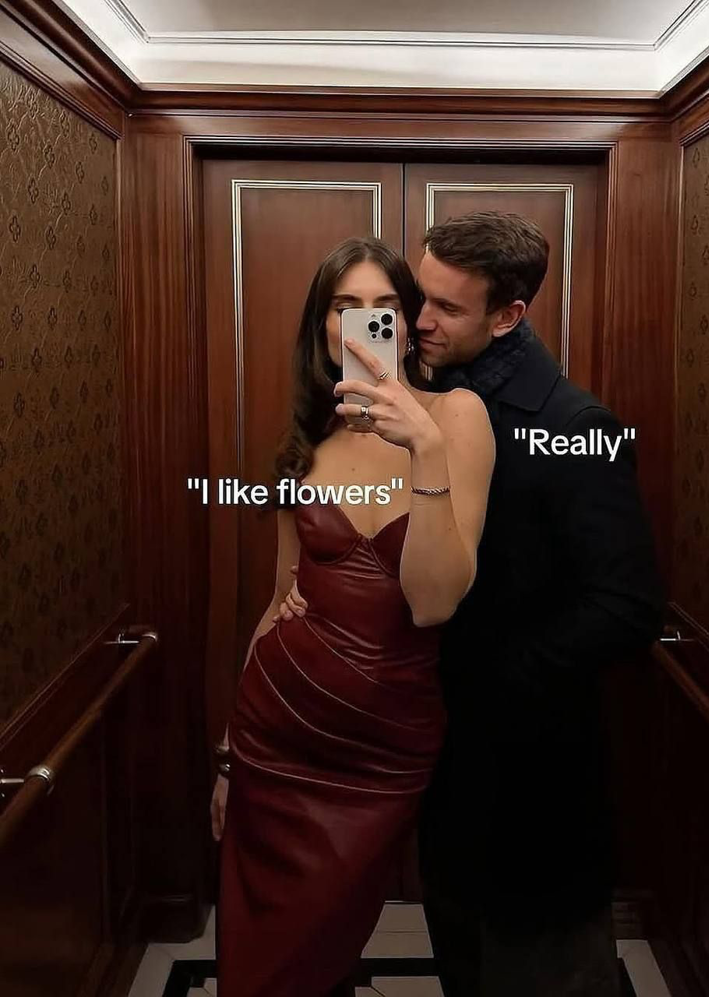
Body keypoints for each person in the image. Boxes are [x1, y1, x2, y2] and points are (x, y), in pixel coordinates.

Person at [278, 212, 665, 996]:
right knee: (463, 962)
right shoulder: (423, 400)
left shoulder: (573, 425)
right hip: (443, 768)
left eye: (447, 308)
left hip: (535, 784)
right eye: (419, 297)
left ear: (507, 315)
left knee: (546, 973)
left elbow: (628, 605)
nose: (419, 320)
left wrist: (486, 671)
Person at [209, 235, 495, 997]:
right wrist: (230, 758)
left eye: (385, 307)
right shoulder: (307, 443)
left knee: (319, 940)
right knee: (265, 963)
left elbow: (434, 601)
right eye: (346, 307)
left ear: (408, 324)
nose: (367, 323)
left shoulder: (457, 416)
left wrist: (424, 449)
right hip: (277, 736)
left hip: (381, 752)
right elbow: (277, 602)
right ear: (324, 327)